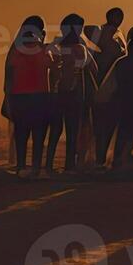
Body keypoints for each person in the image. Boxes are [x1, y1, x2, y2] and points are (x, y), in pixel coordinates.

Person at [4, 16, 55, 179]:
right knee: (38, 134)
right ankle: (35, 168)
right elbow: (53, 70)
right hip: (40, 97)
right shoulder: (43, 50)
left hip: (19, 97)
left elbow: (9, 78)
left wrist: (8, 98)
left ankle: (21, 167)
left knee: (21, 134)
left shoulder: (16, 50)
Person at [47, 13, 96, 173]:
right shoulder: (80, 48)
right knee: (72, 129)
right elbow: (93, 68)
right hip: (74, 93)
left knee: (55, 129)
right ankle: (70, 165)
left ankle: (48, 163)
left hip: (56, 93)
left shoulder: (55, 47)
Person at [101, 34, 133, 172]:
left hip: (126, 103)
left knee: (125, 133)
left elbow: (111, 86)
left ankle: (118, 161)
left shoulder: (122, 63)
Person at [88, 8, 127, 165]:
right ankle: (99, 158)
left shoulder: (119, 34)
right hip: (102, 83)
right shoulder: (102, 31)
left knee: (110, 123)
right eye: (116, 16)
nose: (118, 19)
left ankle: (103, 158)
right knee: (102, 124)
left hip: (116, 85)